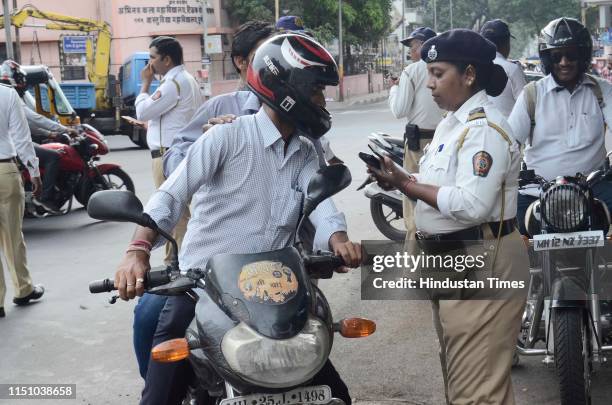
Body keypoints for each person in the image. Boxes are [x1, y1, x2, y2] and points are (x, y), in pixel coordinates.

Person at [118, 33, 361, 405]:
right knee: (159, 393)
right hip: (204, 291)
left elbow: (322, 205)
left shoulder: (306, 149)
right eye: (316, 91)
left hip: (277, 295)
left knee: (335, 393)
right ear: (286, 88)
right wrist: (137, 251)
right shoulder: (225, 139)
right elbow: (171, 194)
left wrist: (338, 239)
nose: (321, 101)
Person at [369, 29, 528, 404]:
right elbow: (439, 183)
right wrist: (402, 178)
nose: (429, 84)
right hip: (454, 259)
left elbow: (471, 203)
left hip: (483, 261)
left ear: (469, 74)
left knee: (477, 391)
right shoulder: (452, 124)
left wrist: (407, 186)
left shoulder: (485, 130)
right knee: (462, 380)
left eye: (438, 73)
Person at [508, 17, 612, 235]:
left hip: (593, 189)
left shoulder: (602, 91)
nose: (564, 62)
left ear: (583, 56)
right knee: (516, 238)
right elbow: (509, 144)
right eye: (557, 56)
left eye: (571, 55)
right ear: (547, 59)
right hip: (537, 191)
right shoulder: (532, 93)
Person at [135, 36, 203, 265]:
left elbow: (143, 112)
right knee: (179, 210)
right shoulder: (187, 79)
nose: (149, 64)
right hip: (181, 151)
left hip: (167, 155)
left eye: (153, 58)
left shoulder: (172, 84)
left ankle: (178, 262)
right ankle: (177, 259)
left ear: (167, 59)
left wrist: (145, 84)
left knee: (174, 212)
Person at [0, 60, 77, 214]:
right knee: (53, 157)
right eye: (21, 79)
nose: (24, 84)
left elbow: (26, 123)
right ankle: (44, 197)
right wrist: (64, 129)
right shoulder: (9, 94)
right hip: (8, 158)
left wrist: (49, 134)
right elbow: (33, 121)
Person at [389, 27, 444, 240]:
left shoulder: (411, 71)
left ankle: (415, 241)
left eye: (412, 46)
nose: (410, 51)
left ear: (423, 45)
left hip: (418, 144)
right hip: (442, 141)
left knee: (412, 192)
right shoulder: (446, 67)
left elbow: (399, 110)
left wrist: (394, 89)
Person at [0, 83, 45, 319]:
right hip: (4, 171)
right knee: (13, 237)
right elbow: (22, 137)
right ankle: (23, 289)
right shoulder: (7, 94)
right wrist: (34, 170)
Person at [480, 19, 527, 118]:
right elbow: (525, 106)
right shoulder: (513, 69)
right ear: (507, 43)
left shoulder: (472, 69)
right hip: (507, 131)